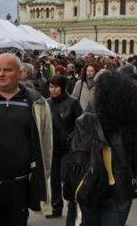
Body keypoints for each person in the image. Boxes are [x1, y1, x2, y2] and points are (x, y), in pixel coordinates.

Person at [0, 53, 52, 226]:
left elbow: (46, 142)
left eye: (7, 70)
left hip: (18, 184)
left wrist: (42, 176)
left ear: (19, 73)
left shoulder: (36, 101)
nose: (1, 74)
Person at [71, 71, 137, 226]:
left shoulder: (88, 117)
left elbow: (77, 151)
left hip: (92, 182)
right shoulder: (134, 117)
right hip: (121, 185)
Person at [46, 75, 82, 221]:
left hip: (68, 147)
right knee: (54, 179)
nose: (53, 90)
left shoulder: (73, 102)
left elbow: (80, 123)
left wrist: (71, 137)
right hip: (52, 146)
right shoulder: (47, 103)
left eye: (55, 87)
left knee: (66, 177)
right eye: (50, 86)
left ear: (62, 87)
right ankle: (56, 206)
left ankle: (72, 203)